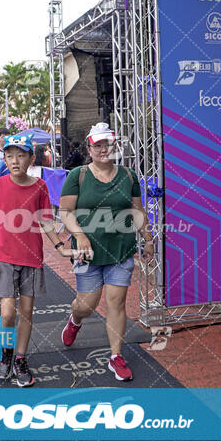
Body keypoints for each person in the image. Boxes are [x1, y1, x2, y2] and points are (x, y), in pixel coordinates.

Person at [59, 122, 154, 381]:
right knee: (87, 306)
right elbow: (64, 213)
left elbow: (137, 211)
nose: (103, 150)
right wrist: (79, 235)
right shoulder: (77, 175)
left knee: (116, 303)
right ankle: (75, 320)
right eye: (98, 145)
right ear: (89, 148)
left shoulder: (129, 176)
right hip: (86, 253)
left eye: (108, 145)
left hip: (121, 250)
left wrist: (147, 238)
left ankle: (115, 356)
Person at [0, 132, 72, 387]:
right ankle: (6, 351)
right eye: (9, 156)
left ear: (31, 158)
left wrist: (58, 245)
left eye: (21, 156)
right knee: (7, 313)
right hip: (4, 258)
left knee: (27, 313)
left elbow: (45, 221)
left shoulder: (40, 187)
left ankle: (20, 358)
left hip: (32, 259)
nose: (15, 161)